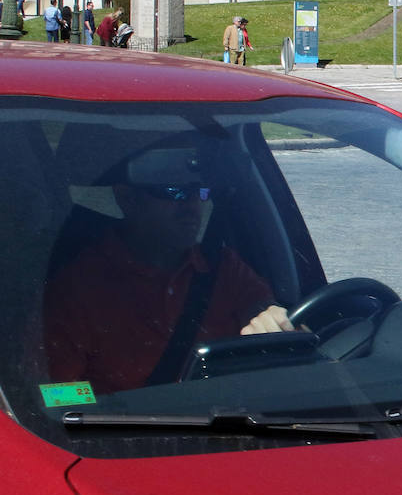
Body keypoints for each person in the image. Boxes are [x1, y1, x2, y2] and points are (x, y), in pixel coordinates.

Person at [44, 151, 291, 394]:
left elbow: (262, 310)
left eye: (201, 192)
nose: (193, 206)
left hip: (234, 422)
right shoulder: (78, 289)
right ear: (127, 199)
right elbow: (54, 394)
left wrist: (274, 320)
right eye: (175, 191)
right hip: (127, 430)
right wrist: (110, 407)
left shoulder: (223, 267)